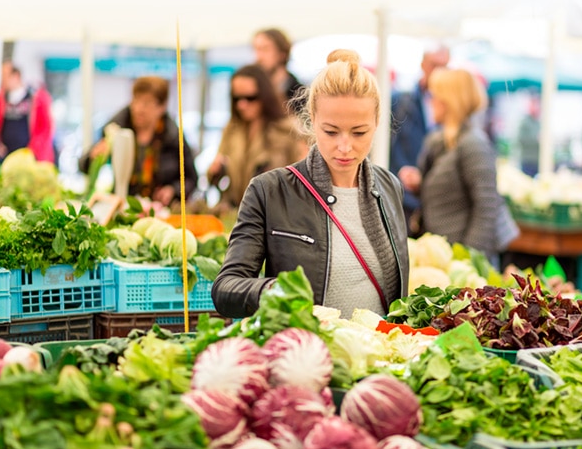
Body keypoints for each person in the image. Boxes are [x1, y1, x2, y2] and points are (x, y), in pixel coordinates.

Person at [212, 49, 409, 319]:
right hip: (307, 353)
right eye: (331, 131)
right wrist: (277, 291)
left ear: (376, 123)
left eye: (359, 132)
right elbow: (225, 288)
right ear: (312, 120)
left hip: (381, 355)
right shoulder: (269, 191)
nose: (344, 146)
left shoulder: (389, 187)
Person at [398, 68, 518, 267]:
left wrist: (467, 260)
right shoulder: (441, 140)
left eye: (434, 96)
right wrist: (420, 184)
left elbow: (487, 207)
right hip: (445, 256)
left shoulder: (473, 144)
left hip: (462, 262)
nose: (430, 101)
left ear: (449, 101)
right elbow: (452, 192)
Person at [79, 75, 198, 206]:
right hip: (122, 206)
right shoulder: (116, 129)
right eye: (136, 100)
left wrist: (173, 190)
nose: (138, 109)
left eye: (147, 103)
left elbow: (191, 179)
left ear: (162, 107)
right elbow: (83, 166)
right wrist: (94, 156)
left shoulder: (174, 136)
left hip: (160, 210)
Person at [207, 64, 307, 209]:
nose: (242, 104)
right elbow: (215, 174)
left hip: (273, 215)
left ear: (264, 96)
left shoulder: (287, 131)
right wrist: (214, 171)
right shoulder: (231, 129)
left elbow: (301, 182)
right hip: (235, 214)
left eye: (250, 98)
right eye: (236, 98)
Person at [389, 44, 450, 237]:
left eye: (443, 66)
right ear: (423, 64)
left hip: (431, 200)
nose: (438, 71)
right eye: (434, 64)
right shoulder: (401, 101)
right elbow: (390, 147)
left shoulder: (450, 105)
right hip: (402, 196)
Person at [0, 61, 55, 163]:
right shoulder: (1, 99)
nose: (3, 80)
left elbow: (46, 128)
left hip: (29, 157)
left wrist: (34, 149)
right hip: (5, 155)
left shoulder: (36, 98)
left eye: (5, 75)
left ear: (16, 76)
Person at [252, 27, 305, 113]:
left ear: (282, 54)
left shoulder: (300, 95)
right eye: (256, 49)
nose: (259, 57)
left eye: (265, 49)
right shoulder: (253, 94)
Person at [517, 94, 541, 177]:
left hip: (537, 160)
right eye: (534, 104)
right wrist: (536, 139)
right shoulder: (524, 122)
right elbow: (521, 139)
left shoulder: (538, 122)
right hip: (527, 160)